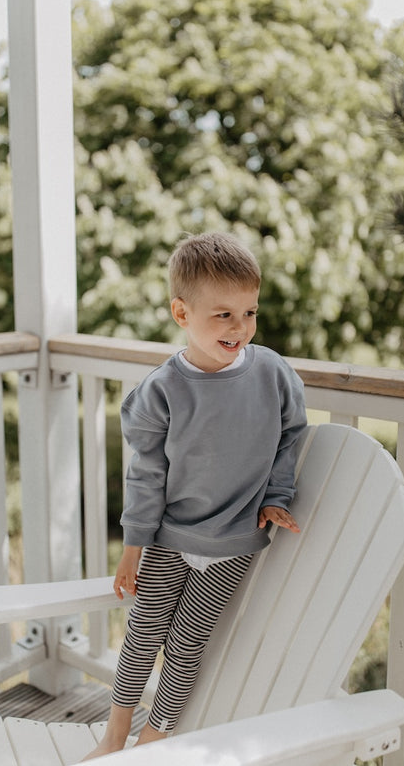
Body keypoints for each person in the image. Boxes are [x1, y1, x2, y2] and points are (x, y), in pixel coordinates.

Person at [82, 231, 307, 760]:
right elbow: (146, 475)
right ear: (182, 313)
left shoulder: (273, 374)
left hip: (233, 540)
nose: (240, 327)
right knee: (143, 635)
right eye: (223, 315)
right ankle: (114, 735)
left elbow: (291, 435)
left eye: (249, 312)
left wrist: (277, 495)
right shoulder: (161, 391)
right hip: (168, 536)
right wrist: (133, 548)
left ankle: (154, 737)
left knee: (186, 647)